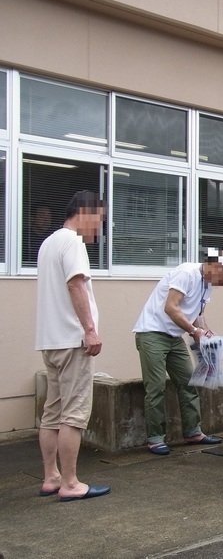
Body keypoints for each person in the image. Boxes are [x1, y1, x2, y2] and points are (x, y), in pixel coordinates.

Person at [35, 190, 111, 501]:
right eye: (100, 220)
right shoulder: (72, 241)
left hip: (50, 341)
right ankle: (70, 483)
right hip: (72, 340)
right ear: (86, 211)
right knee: (74, 415)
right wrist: (90, 330)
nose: (100, 228)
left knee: (52, 413)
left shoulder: (48, 243)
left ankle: (51, 477)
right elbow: (75, 283)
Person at [133, 249, 223, 455]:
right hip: (152, 333)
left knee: (189, 381)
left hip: (174, 336)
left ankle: (193, 431)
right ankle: (155, 438)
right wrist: (194, 331)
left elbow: (198, 314)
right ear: (212, 266)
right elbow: (171, 307)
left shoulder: (207, 286)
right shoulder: (187, 273)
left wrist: (205, 332)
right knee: (155, 386)